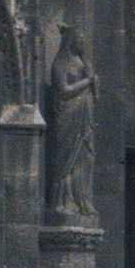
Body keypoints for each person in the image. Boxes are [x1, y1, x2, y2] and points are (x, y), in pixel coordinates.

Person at [46, 24, 97, 218]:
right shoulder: (60, 62)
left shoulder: (82, 64)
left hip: (84, 118)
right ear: (71, 41)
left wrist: (92, 79)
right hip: (68, 117)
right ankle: (60, 202)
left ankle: (82, 201)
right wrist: (87, 82)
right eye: (79, 39)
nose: (82, 43)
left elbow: (95, 95)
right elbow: (64, 90)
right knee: (65, 160)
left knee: (85, 158)